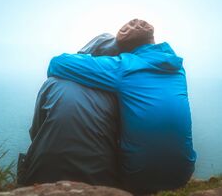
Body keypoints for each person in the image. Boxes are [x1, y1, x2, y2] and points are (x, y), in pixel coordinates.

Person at [48, 19, 197, 193]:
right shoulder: (177, 69)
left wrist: (95, 55)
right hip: (183, 173)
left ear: (121, 49)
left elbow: (57, 63)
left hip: (139, 178)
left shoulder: (123, 67)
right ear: (153, 40)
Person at [17, 33, 121, 187]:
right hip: (98, 178)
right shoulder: (117, 93)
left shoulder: (52, 83)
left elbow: (36, 131)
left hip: (42, 174)